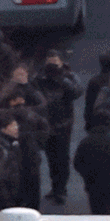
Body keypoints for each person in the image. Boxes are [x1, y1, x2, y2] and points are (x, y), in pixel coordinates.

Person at [35, 49, 83, 204]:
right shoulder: (40, 77)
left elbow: (76, 92)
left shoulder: (69, 76)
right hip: (45, 124)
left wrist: (60, 78)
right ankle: (54, 187)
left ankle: (61, 189)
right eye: (50, 63)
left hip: (63, 124)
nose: (52, 66)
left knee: (61, 158)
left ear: (61, 62)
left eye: (55, 63)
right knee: (50, 157)